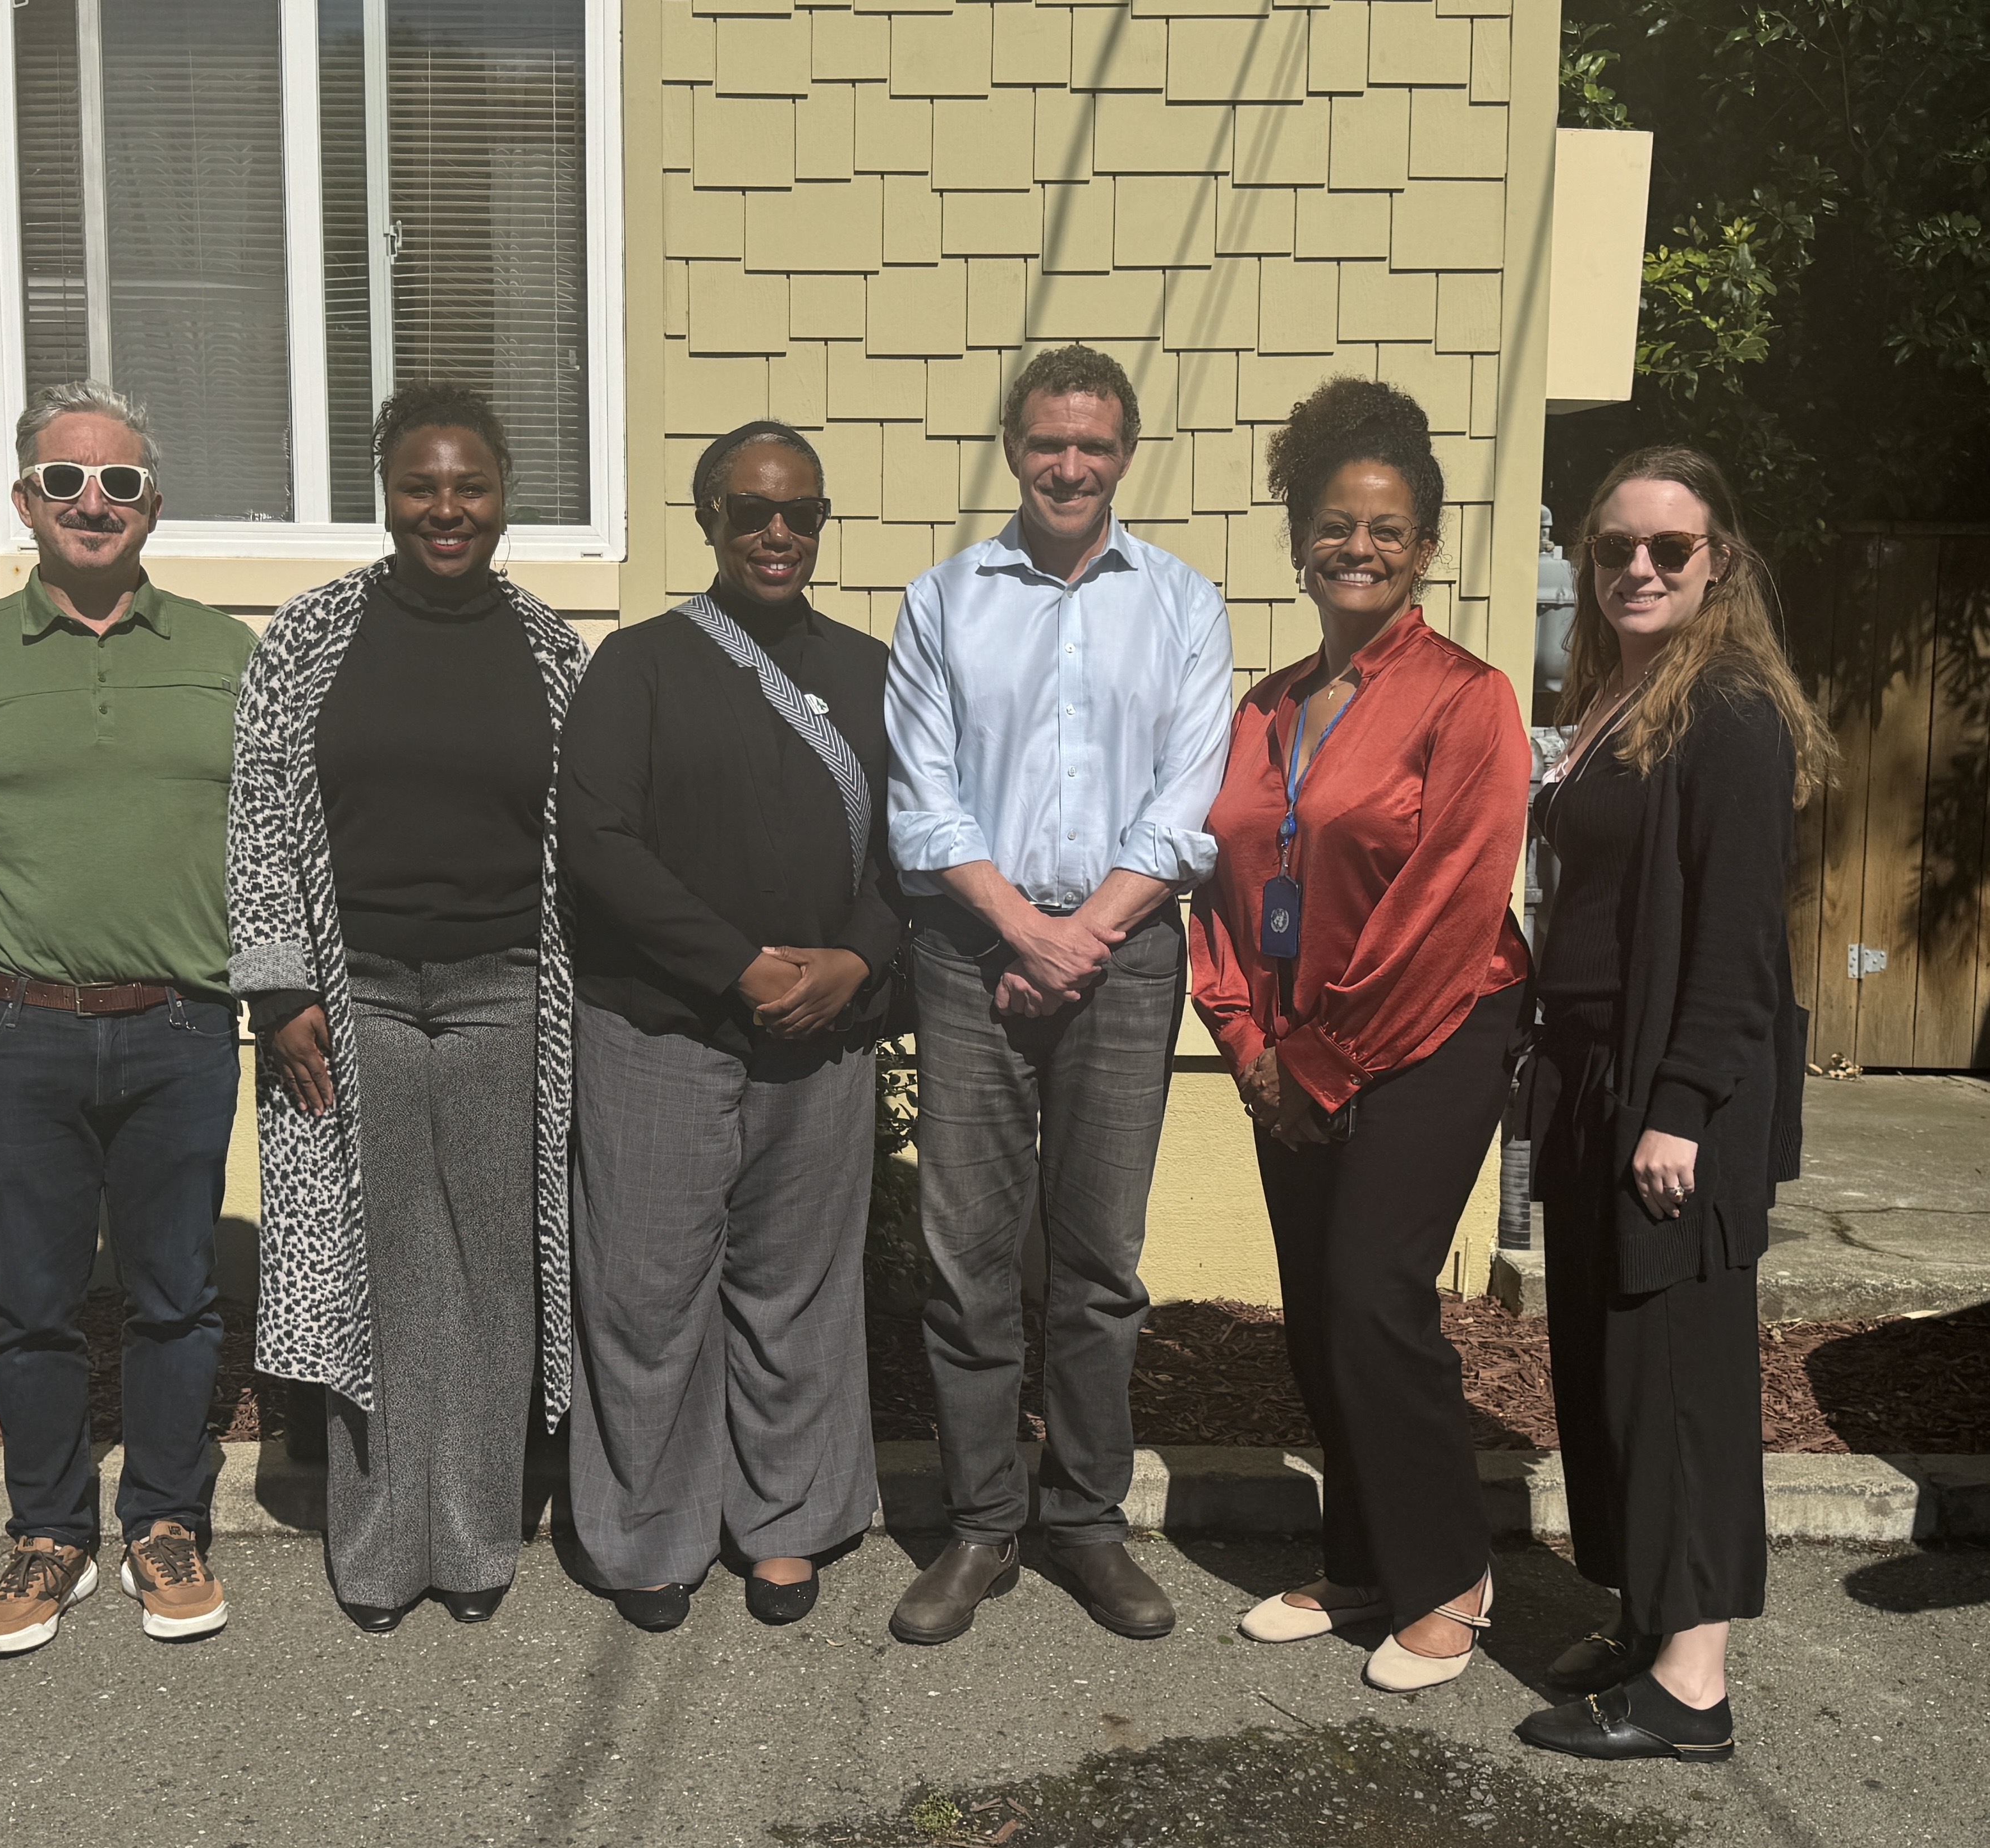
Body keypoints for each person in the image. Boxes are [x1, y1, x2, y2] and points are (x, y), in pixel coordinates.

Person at [883, 343, 1231, 1646]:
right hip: (973, 956)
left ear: (1124, 453)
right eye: (1045, 441)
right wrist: (1024, 931)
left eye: (1090, 443)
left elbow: (1190, 794)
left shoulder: (1185, 605)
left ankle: (1084, 1518)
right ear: (1013, 447)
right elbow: (922, 795)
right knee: (967, 1258)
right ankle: (979, 1523)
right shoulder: (943, 601)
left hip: (1126, 956)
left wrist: (1082, 935)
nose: (1067, 464)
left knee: (1097, 1261)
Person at [0, 384, 257, 1657]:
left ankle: (164, 1520)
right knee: (35, 1297)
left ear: (152, 503)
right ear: (23, 502)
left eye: (116, 483)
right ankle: (48, 1532)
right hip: (18, 1033)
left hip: (179, 1025)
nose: (90, 503)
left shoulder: (227, 655)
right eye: (63, 482)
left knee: (174, 1294)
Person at [1188, 379, 1533, 1690]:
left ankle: (1447, 1571)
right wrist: (1241, 1037)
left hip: (1433, 1033)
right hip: (1287, 1052)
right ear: (1297, 539)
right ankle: (1359, 1562)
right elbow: (1216, 884)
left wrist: (1318, 1061)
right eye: (1336, 524)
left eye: (1388, 529)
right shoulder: (1265, 706)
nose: (1359, 548)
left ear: (1426, 549)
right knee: (1315, 1314)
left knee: (1375, 1298)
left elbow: (1446, 904)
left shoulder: (1466, 697)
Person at [227, 383, 587, 1633]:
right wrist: (277, 986)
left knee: (492, 1271)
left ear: (503, 496)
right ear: (387, 492)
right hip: (351, 995)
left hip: (506, 992)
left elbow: (577, 843)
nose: (447, 508)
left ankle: (477, 1537)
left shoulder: (549, 648)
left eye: (470, 486)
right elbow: (262, 814)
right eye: (422, 485)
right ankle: (379, 1552)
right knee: (375, 1276)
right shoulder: (311, 634)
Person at [1513, 447, 1826, 1763]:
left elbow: (1738, 941)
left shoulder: (1729, 711)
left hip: (1668, 1095)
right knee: (1609, 1368)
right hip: (1594, 1077)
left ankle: (1692, 1682)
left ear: (1718, 564)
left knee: (1679, 1373)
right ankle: (1650, 1616)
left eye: (1666, 549)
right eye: (1611, 549)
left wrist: (1682, 1105)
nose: (1634, 567)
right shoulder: (1618, 694)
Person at [560, 421, 900, 1632]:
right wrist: (737, 965)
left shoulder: (869, 670)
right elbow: (596, 842)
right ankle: (647, 1529)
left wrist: (855, 957)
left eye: (801, 512)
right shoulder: (638, 664)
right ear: (706, 515)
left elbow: (914, 842)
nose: (776, 532)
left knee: (794, 1291)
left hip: (823, 1035)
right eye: (751, 509)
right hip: (658, 1027)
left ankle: (787, 1521)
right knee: (646, 1290)